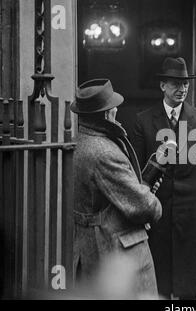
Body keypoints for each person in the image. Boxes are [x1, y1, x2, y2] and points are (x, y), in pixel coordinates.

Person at [131, 57, 196, 300]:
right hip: (158, 210)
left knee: (189, 277)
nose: (181, 89)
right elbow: (137, 167)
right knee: (160, 276)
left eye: (185, 84)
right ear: (162, 86)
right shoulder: (144, 119)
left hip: (192, 210)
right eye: (175, 84)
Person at [71, 79, 162, 299]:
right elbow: (145, 207)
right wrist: (151, 199)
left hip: (94, 247)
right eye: (113, 108)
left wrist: (144, 182)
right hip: (116, 252)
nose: (116, 111)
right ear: (105, 114)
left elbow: (113, 194)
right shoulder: (103, 152)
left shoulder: (82, 142)